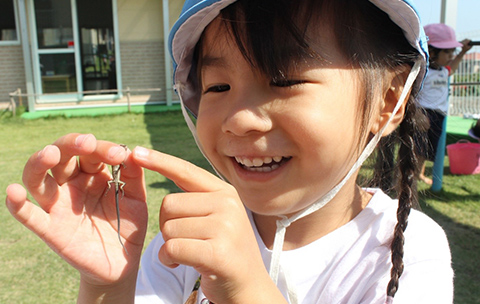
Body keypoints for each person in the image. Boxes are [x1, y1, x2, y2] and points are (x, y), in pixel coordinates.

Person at [5, 0, 453, 303]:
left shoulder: (404, 250)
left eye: (284, 79)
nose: (238, 118)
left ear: (389, 101)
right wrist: (109, 284)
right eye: (217, 86)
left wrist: (246, 286)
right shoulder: (185, 239)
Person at [416, 23, 473, 185]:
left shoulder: (442, 71)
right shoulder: (423, 71)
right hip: (423, 114)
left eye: (452, 51)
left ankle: (418, 173)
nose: (450, 55)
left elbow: (452, 68)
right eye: (446, 52)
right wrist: (416, 113)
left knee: (426, 151)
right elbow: (410, 94)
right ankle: (405, 178)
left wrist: (462, 52)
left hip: (438, 116)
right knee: (416, 150)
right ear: (432, 52)